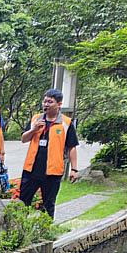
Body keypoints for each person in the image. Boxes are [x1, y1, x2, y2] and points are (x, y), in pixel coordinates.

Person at [20, 89, 80, 218]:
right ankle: (19, 229)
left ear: (59, 104)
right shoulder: (36, 119)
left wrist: (74, 169)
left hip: (52, 172)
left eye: (50, 102)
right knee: (22, 202)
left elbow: (72, 147)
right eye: (45, 101)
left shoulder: (66, 123)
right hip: (31, 169)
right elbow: (24, 139)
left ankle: (46, 231)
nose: (46, 104)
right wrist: (33, 129)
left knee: (48, 204)